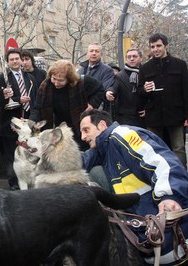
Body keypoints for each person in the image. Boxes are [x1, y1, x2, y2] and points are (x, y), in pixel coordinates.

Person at [80, 109, 188, 265]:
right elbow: (78, 162)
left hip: (172, 237)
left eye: (86, 130)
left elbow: (162, 162)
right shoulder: (102, 148)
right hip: (152, 241)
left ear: (102, 125)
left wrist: (169, 196)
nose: (83, 137)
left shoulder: (123, 134)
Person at [137, 33, 188, 167]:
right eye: (152, 47)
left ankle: (181, 176)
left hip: (175, 115)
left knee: (179, 148)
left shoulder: (180, 65)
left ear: (166, 45)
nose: (156, 49)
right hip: (154, 117)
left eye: (158, 46)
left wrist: (186, 116)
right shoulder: (144, 68)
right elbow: (139, 92)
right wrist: (144, 89)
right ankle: (159, 176)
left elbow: (186, 91)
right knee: (155, 149)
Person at [29, 59, 103, 151]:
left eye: (61, 80)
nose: (56, 83)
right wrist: (31, 121)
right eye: (54, 78)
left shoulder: (81, 82)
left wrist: (92, 104)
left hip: (79, 125)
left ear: (69, 79)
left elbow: (100, 89)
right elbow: (38, 107)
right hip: (59, 127)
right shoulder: (45, 86)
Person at [0, 48, 38, 190]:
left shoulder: (30, 78)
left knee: (28, 154)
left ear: (21, 60)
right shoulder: (2, 78)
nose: (15, 61)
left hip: (27, 124)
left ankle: (29, 181)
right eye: (11, 59)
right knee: (12, 157)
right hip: (10, 125)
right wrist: (19, 100)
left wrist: (32, 120)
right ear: (7, 62)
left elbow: (35, 99)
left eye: (17, 59)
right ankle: (14, 184)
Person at [106, 48, 146, 128]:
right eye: (129, 57)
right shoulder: (120, 76)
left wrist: (148, 109)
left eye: (134, 56)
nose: (131, 59)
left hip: (144, 117)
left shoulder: (147, 72)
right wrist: (109, 92)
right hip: (126, 117)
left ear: (141, 58)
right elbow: (114, 87)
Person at [78, 43, 114, 112]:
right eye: (91, 51)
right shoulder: (81, 70)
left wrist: (91, 104)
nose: (94, 53)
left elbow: (103, 90)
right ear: (87, 54)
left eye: (97, 51)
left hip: (98, 110)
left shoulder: (107, 70)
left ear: (101, 54)